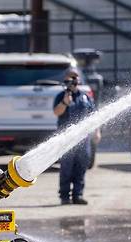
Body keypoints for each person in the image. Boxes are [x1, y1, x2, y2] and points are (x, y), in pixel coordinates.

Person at [53, 67, 100, 205]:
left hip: (83, 138)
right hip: (66, 139)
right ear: (65, 79)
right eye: (70, 77)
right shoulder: (60, 96)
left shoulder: (86, 97)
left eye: (76, 77)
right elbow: (56, 112)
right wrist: (64, 103)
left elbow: (94, 116)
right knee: (66, 168)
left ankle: (78, 195)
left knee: (82, 166)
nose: (73, 80)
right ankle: (64, 196)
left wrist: (97, 131)